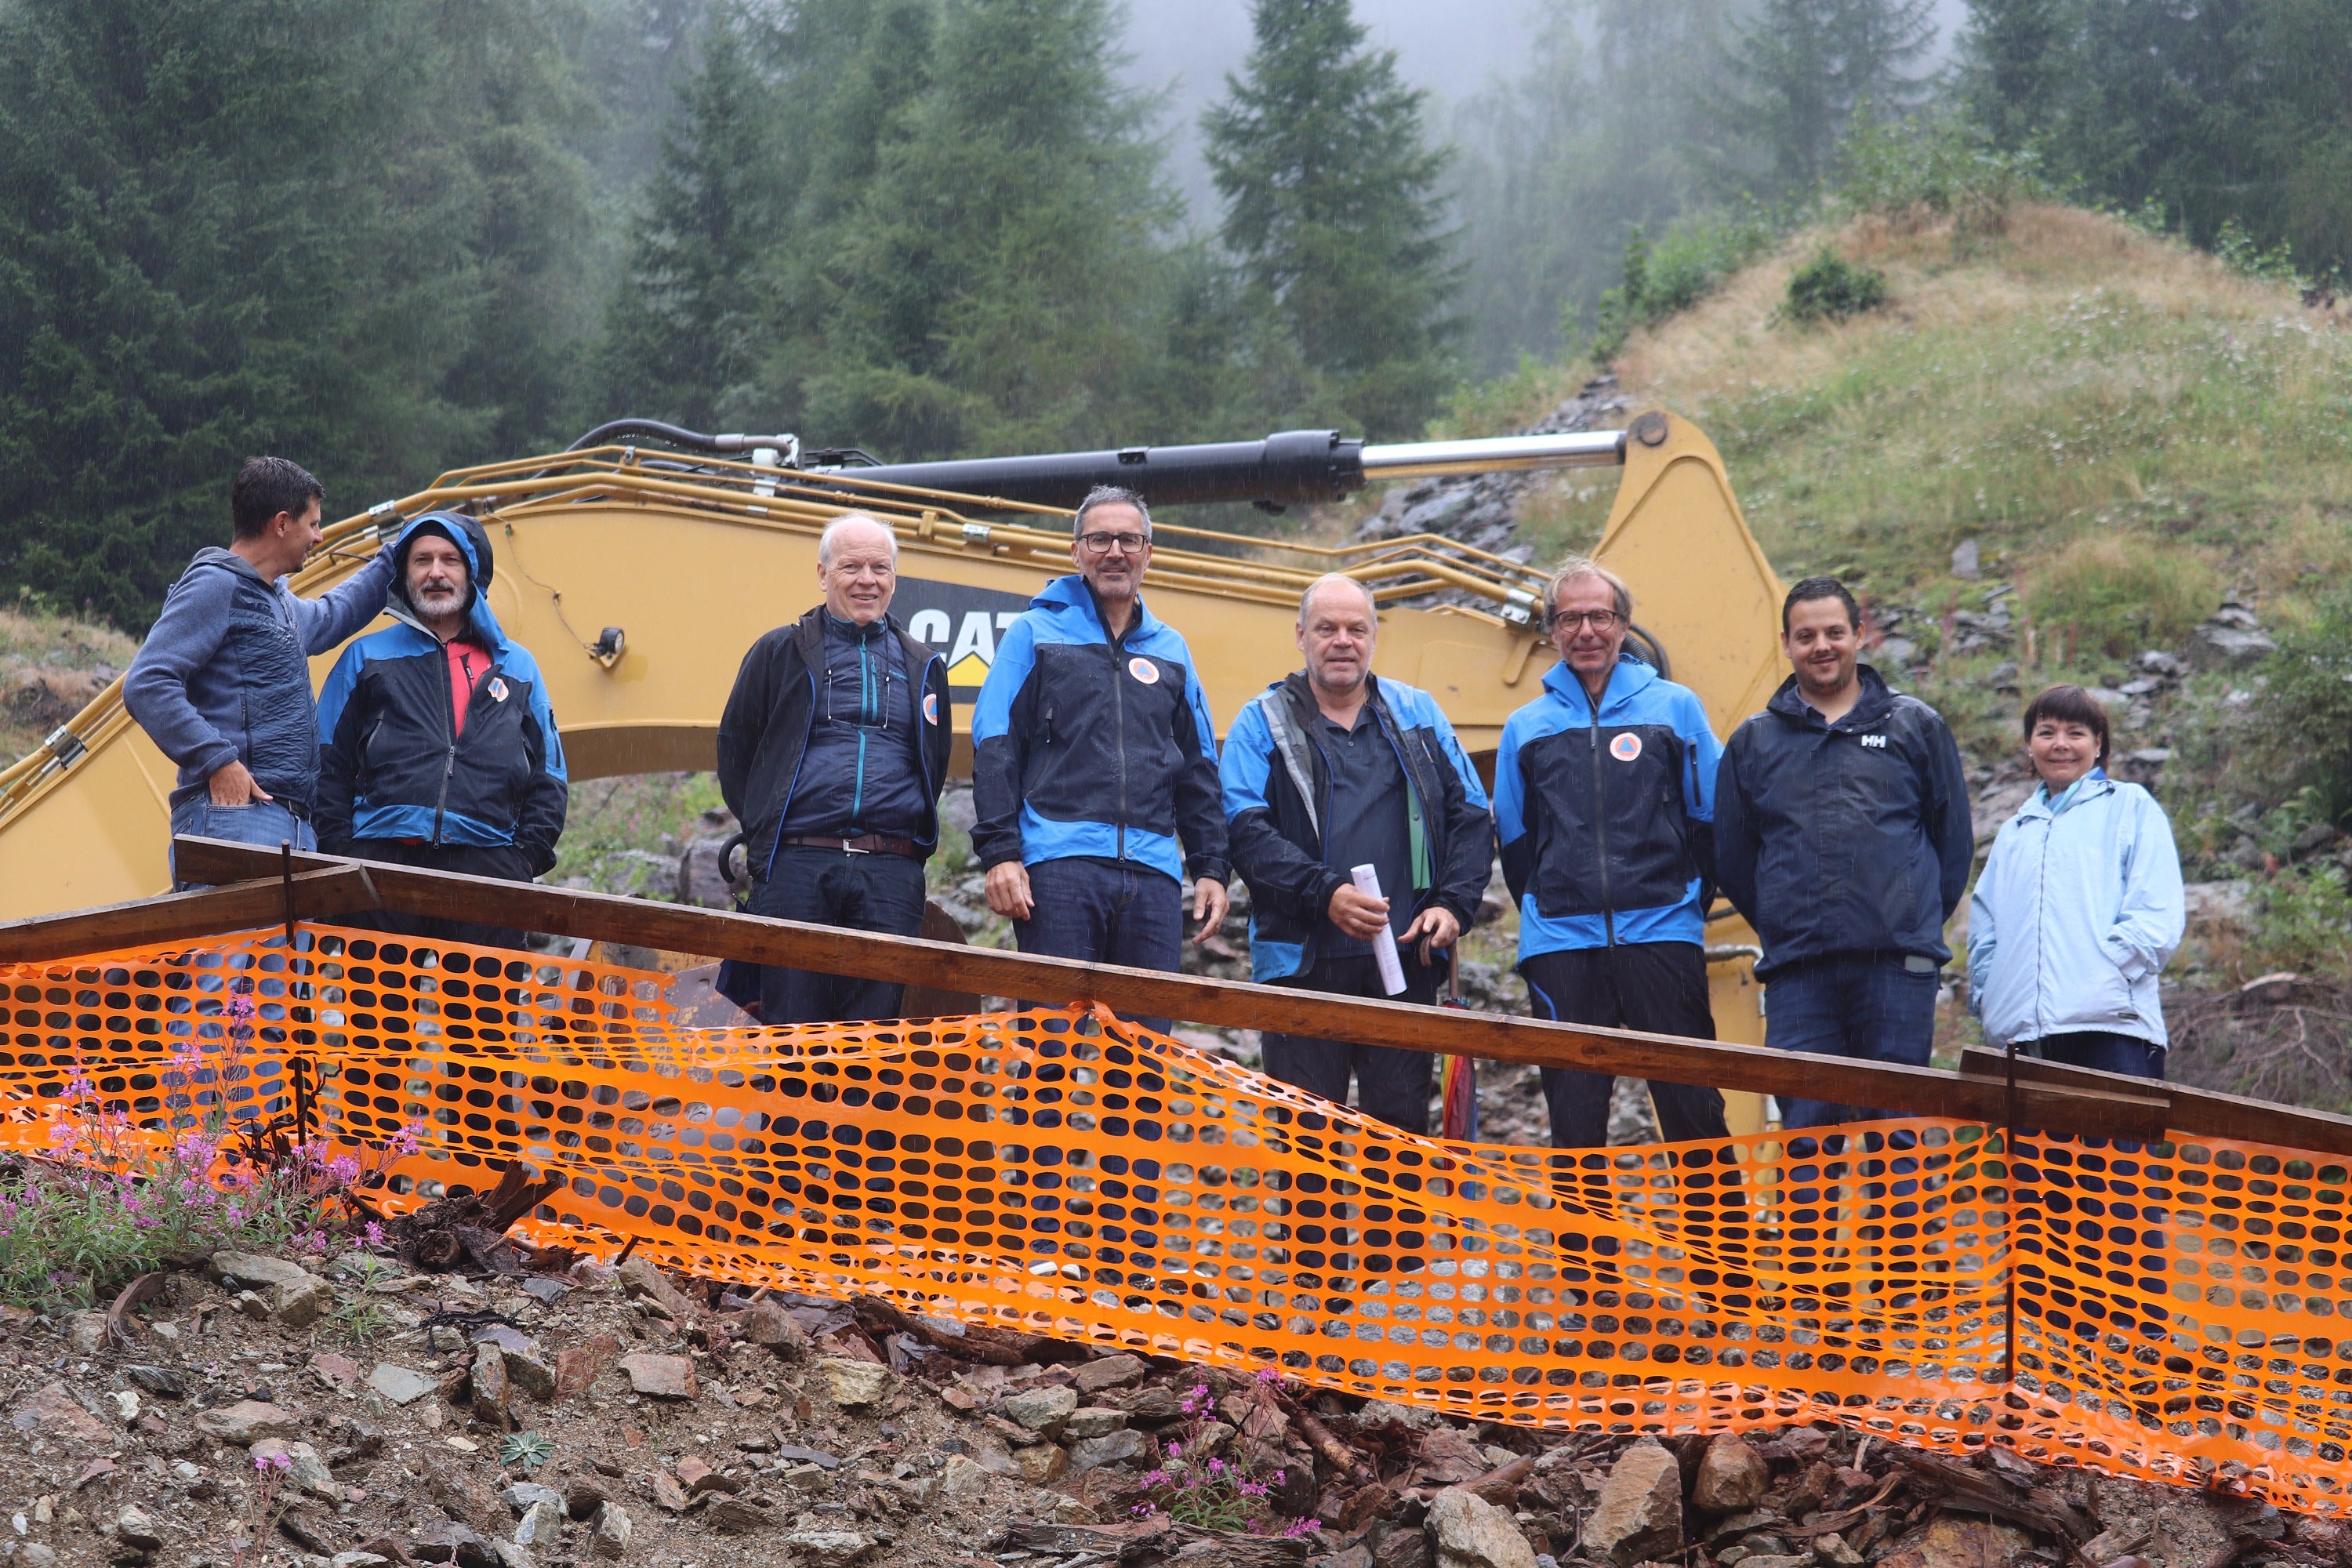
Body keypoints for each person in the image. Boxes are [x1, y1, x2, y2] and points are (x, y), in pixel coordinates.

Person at [1221, 575, 1491, 1131]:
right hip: (1301, 965)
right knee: (1305, 1144)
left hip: (1404, 966)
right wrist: (1326, 895)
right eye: (1327, 629)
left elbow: (1471, 815)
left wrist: (1453, 905)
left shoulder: (1418, 713)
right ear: (1300, 635)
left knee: (1400, 1143)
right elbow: (1245, 832)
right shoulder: (1262, 720)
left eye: (1356, 629)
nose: (1342, 641)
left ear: (1373, 638)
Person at [1715, 575, 1973, 1127]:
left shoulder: (1916, 727)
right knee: (1806, 1141)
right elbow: (1734, 860)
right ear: (1786, 643)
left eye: (1834, 632)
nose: (1821, 646)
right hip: (1798, 974)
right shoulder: (1753, 743)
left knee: (1895, 1140)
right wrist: (1786, 919)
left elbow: (1952, 846)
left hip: (1897, 970)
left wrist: (1908, 915)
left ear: (1860, 634)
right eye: (1805, 636)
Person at [1492, 557, 1731, 1146]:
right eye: (1569, 619)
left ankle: (1718, 1243)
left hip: (1662, 933)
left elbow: (1712, 821)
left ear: (1623, 625)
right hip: (1562, 949)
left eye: (1599, 616)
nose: (1586, 631)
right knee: (1575, 1126)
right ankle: (1583, 1245)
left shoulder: (1677, 709)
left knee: (1695, 1113)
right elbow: (1515, 840)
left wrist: (1683, 903)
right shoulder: (1526, 726)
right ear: (1551, 631)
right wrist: (1555, 905)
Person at [972, 486, 1229, 979]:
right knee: (1051, 1050)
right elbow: (994, 745)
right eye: (1099, 540)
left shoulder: (1172, 648)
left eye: (1129, 540)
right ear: (1076, 551)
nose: (1115, 552)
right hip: (1058, 869)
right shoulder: (1033, 633)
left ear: (1148, 553)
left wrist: (1211, 867)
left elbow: (1198, 767)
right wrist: (1001, 854)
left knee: (1144, 1053)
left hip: (1154, 877)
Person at [716, 512, 951, 1023]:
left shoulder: (924, 664)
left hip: (891, 871)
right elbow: (736, 750)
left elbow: (934, 761)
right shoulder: (779, 652)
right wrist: (764, 828)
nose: (867, 580)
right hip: (797, 865)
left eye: (880, 568)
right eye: (852, 567)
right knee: (788, 1030)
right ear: (823, 574)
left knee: (876, 1035)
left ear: (894, 577)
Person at [125, 456, 396, 883]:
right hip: (237, 820)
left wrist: (394, 561)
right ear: (282, 523)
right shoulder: (216, 585)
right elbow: (147, 683)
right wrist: (217, 761)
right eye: (313, 524)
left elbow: (333, 614)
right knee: (227, 953)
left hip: (292, 827)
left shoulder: (279, 603)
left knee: (275, 954)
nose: (320, 537)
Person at [313, 512, 566, 947]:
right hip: (380, 864)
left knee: (483, 1016)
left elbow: (550, 776)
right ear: (404, 574)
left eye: (450, 559)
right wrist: (342, 853)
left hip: (489, 868)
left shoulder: (517, 665)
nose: (436, 572)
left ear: (471, 572)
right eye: (421, 560)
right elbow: (324, 764)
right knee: (377, 1016)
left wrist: (522, 859)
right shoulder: (364, 658)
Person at [1969, 685, 2184, 1077]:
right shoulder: (2015, 831)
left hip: (2113, 1031)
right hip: (2023, 1040)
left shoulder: (2130, 806)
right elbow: (1985, 930)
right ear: (2030, 746)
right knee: (2033, 1143)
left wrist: (2109, 972)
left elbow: (2157, 911)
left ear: (2098, 744)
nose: (2060, 745)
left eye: (2076, 733)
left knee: (2118, 1141)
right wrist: (1989, 993)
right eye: (2047, 733)